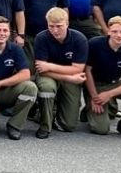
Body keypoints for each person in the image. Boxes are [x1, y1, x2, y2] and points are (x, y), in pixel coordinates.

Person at [33, 7, 88, 139]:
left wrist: (50, 66)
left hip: (69, 75)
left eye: (59, 26)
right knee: (47, 87)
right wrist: (69, 77)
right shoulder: (41, 38)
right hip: (52, 77)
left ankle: (47, 110)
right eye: (51, 26)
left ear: (67, 24)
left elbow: (78, 69)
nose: (55, 30)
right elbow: (42, 70)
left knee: (68, 125)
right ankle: (45, 124)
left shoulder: (79, 39)